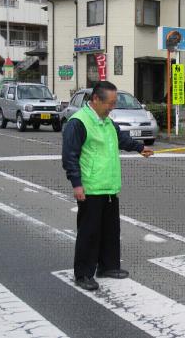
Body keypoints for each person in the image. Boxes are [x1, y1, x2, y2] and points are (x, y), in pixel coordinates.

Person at [62, 81, 153, 291]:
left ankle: (108, 266)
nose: (112, 107)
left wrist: (140, 148)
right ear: (95, 99)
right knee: (89, 232)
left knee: (110, 230)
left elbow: (121, 139)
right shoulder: (79, 122)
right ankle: (83, 274)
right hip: (91, 187)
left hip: (109, 186)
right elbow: (70, 156)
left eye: (114, 103)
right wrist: (77, 184)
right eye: (110, 103)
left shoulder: (107, 122)